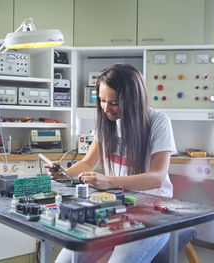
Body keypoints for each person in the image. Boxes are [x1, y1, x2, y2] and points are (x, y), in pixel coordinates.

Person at [45, 64, 177, 263]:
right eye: (102, 101)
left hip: (152, 214)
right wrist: (65, 173)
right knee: (66, 259)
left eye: (114, 102)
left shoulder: (158, 122)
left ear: (132, 100)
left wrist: (108, 181)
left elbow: (157, 178)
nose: (106, 108)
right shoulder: (107, 121)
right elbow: (88, 162)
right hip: (114, 208)